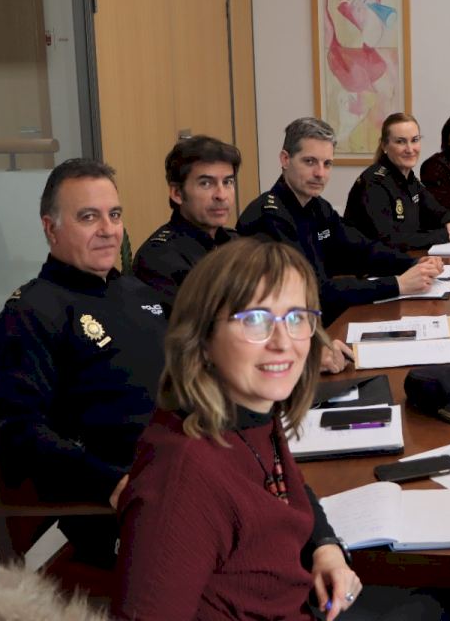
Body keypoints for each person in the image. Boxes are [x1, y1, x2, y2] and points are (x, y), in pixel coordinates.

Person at [114, 238, 361, 620]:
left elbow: (286, 483)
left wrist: (325, 546)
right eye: (255, 320)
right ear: (203, 338)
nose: (283, 342)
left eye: (296, 318)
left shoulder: (251, 414)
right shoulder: (183, 478)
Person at [0, 159, 167, 566]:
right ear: (50, 228)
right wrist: (111, 482)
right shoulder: (30, 314)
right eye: (88, 217)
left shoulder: (136, 293)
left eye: (114, 215)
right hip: (119, 508)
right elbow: (18, 431)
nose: (108, 229)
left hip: (184, 472)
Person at [238, 117, 443, 341]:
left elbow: (362, 249)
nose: (320, 173)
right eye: (310, 162)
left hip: (321, 326)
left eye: (327, 164)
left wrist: (412, 263)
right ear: (285, 159)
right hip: (287, 337)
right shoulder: (270, 217)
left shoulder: (318, 207)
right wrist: (397, 284)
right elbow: (315, 291)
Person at [133, 135, 240, 308]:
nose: (221, 195)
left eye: (228, 182)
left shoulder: (238, 242)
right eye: (206, 183)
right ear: (177, 193)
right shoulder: (158, 258)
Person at [345, 113, 450, 249]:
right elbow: (389, 240)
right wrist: (447, 235)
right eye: (400, 142)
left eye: (414, 140)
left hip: (400, 257)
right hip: (367, 261)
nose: (410, 149)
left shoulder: (408, 178)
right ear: (384, 145)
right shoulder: (374, 183)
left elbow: (437, 211)